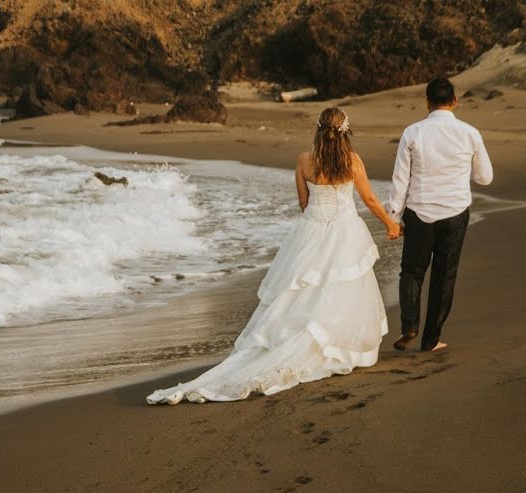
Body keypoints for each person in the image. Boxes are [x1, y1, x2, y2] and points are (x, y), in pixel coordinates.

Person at [147, 107, 399, 405]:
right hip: (346, 231)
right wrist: (390, 223)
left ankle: (301, 343)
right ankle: (335, 345)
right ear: (346, 131)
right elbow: (369, 199)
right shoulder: (353, 161)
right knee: (341, 290)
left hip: (311, 232)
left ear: (318, 129)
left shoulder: (305, 161)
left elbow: (304, 204)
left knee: (303, 293)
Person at [387, 77, 493, 352]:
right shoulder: (470, 133)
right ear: (455, 101)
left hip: (419, 211)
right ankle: (431, 339)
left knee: (412, 271)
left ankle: (410, 325)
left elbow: (400, 179)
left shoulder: (413, 132)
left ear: (427, 102)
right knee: (444, 276)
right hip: (455, 212)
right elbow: (485, 177)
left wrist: (393, 217)